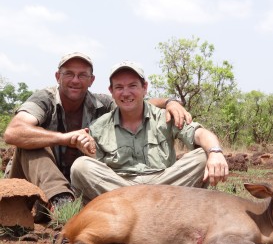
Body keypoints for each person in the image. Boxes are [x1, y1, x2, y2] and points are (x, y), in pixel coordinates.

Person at [3, 53, 191, 216]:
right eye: (69, 73)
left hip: (78, 187)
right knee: (33, 142)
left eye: (82, 75)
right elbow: (13, 132)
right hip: (34, 186)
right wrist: (65, 138)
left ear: (91, 80)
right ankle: (60, 203)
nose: (75, 80)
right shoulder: (44, 99)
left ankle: (76, 205)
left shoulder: (101, 104)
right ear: (57, 76)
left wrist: (170, 102)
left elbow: (135, 100)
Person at [71, 60, 229, 204]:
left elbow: (200, 133)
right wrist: (85, 148)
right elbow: (98, 169)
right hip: (120, 187)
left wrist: (215, 152)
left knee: (203, 155)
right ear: (111, 91)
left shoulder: (165, 117)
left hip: (164, 184)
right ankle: (152, 207)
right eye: (119, 87)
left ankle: (134, 207)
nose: (126, 93)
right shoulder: (98, 126)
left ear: (144, 88)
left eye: (132, 86)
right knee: (80, 166)